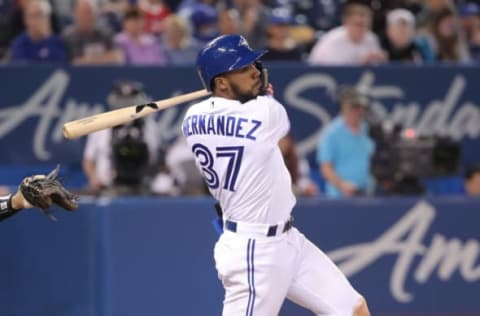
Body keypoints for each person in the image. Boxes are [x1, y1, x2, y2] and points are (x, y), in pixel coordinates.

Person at [182, 34, 370, 315]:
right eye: (244, 68)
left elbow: (230, 110)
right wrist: (262, 94)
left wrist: (251, 92)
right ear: (221, 82)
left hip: (287, 239)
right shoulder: (266, 113)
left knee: (353, 308)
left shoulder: (192, 118)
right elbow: (263, 113)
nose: (256, 72)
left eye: (253, 65)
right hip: (254, 250)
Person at [82, 80, 159, 195]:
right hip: (107, 188)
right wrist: (94, 179)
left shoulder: (149, 126)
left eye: (130, 101)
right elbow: (88, 160)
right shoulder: (101, 125)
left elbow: (156, 158)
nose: (125, 105)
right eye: (122, 101)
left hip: (141, 188)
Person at [317, 86, 375, 198]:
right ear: (343, 107)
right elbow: (326, 168)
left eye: (361, 107)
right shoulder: (331, 133)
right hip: (340, 197)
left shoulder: (368, 130)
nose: (358, 111)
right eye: (354, 107)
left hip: (368, 194)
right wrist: (342, 185)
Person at [308, 3, 386, 65]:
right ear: (346, 23)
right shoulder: (333, 40)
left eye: (367, 25)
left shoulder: (371, 38)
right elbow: (336, 70)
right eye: (358, 24)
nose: (363, 28)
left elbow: (377, 66)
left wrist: (380, 59)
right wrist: (361, 62)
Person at [62, 0, 123, 65]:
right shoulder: (69, 36)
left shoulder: (105, 33)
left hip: (105, 73)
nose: (85, 17)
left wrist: (91, 59)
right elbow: (75, 62)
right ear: (75, 15)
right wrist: (103, 57)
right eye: (82, 14)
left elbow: (117, 57)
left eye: (89, 13)